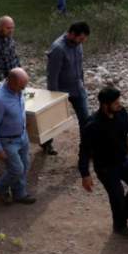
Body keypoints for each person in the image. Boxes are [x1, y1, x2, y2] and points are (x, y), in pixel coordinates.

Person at [78, 87, 128, 239]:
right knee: (117, 196)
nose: (119, 105)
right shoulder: (92, 125)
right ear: (105, 105)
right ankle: (120, 226)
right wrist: (85, 174)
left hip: (124, 160)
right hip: (106, 168)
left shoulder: (121, 113)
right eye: (115, 103)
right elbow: (84, 150)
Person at [0, 68, 37, 205]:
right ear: (12, 83)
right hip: (8, 141)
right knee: (16, 169)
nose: (24, 89)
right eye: (22, 86)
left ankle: (19, 194)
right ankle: (0, 186)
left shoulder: (17, 90)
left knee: (25, 166)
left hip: (22, 136)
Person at [45, 21, 91, 155]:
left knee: (86, 120)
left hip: (78, 88)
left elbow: (80, 66)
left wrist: (82, 82)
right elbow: (52, 75)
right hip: (61, 91)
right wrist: (55, 98)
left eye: (84, 39)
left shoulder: (78, 44)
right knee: (52, 120)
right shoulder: (58, 49)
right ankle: (46, 143)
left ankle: (86, 148)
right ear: (71, 34)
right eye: (81, 38)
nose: (82, 42)